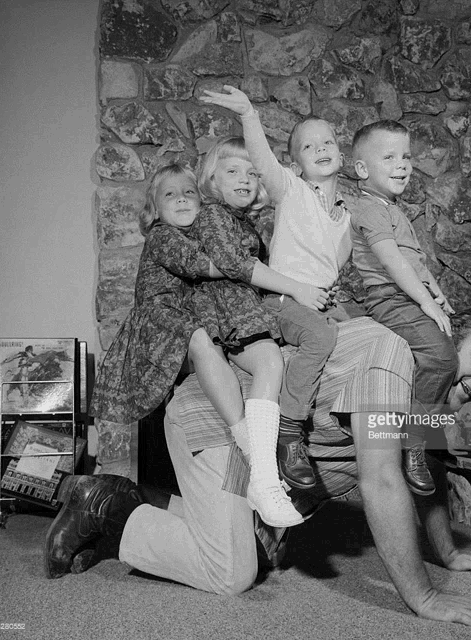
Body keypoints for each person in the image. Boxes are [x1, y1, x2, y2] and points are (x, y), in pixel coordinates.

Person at [44, 307, 471, 628]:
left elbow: (431, 467)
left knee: (249, 551)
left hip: (263, 465)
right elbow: (380, 479)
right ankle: (103, 505)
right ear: (442, 340)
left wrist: (447, 552)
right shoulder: (392, 354)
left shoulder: (431, 395)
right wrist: (424, 597)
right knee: (232, 574)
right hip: (222, 426)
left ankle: (132, 502)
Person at [200, 86, 353, 491]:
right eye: (308, 145)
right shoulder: (291, 190)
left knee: (357, 328)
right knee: (322, 335)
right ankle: (289, 429)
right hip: (280, 302)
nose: (320, 148)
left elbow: (331, 268)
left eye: (328, 142)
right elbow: (263, 157)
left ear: (342, 154)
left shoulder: (344, 217)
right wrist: (249, 114)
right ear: (295, 165)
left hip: (313, 301)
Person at [189, 135, 333, 527]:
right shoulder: (213, 216)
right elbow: (236, 266)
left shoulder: (244, 221)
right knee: (270, 360)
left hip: (245, 306)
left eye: (252, 173)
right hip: (226, 308)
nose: (245, 179)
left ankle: (268, 477)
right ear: (212, 180)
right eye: (232, 171)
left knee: (282, 355)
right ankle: (266, 480)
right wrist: (298, 288)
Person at [350, 120, 458, 497]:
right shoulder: (368, 208)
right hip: (388, 297)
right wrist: (425, 303)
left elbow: (415, 262)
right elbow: (393, 263)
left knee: (446, 348)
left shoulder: (393, 209)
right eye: (390, 157)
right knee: (442, 357)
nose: (403, 165)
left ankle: (429, 433)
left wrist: (437, 293)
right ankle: (414, 440)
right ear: (362, 169)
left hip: (407, 293)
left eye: (407, 156)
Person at [88, 163, 222, 426]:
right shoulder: (162, 235)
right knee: (200, 341)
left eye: (189, 192)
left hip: (176, 325)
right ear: (156, 210)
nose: (182, 198)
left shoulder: (198, 238)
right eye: (170, 194)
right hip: (159, 325)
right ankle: (240, 426)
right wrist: (247, 267)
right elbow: (203, 265)